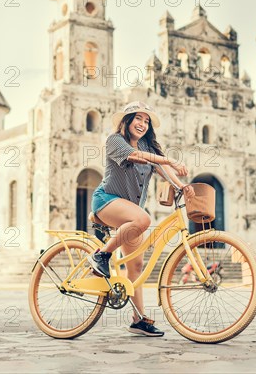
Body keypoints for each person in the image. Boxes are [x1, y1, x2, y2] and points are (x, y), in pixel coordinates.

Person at [88, 101, 195, 337]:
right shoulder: (115, 140)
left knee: (135, 265)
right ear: (127, 121)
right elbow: (136, 156)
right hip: (107, 201)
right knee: (144, 219)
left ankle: (138, 320)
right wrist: (168, 159)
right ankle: (101, 255)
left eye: (146, 121)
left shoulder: (148, 145)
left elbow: (162, 171)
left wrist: (182, 186)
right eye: (138, 118)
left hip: (131, 212)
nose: (143, 124)